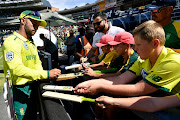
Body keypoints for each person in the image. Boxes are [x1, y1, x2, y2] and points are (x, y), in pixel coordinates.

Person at [74, 20, 180, 119]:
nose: (135, 48)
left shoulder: (172, 62)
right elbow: (120, 79)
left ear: (155, 43)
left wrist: (101, 88)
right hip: (158, 100)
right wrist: (91, 83)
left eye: (138, 45)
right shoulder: (143, 59)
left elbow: (139, 89)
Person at [2, 10, 61, 120]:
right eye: (33, 24)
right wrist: (46, 74)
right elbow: (16, 69)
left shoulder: (31, 42)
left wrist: (41, 75)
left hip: (33, 86)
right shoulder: (11, 42)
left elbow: (37, 63)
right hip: (19, 90)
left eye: (37, 25)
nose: (36, 27)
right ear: (23, 21)